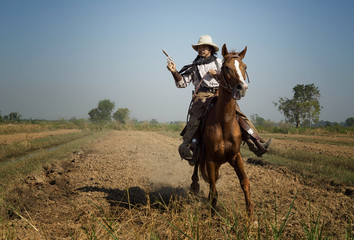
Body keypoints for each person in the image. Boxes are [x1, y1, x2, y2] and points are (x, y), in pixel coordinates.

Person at [166, 35, 271, 165]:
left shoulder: (220, 63)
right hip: (202, 96)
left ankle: (256, 142)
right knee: (195, 119)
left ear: (210, 49)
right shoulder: (194, 66)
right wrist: (174, 71)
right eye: (199, 48)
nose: (201, 49)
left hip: (220, 94)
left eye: (204, 47)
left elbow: (230, 76)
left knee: (238, 113)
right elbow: (182, 83)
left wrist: (217, 74)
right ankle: (189, 148)